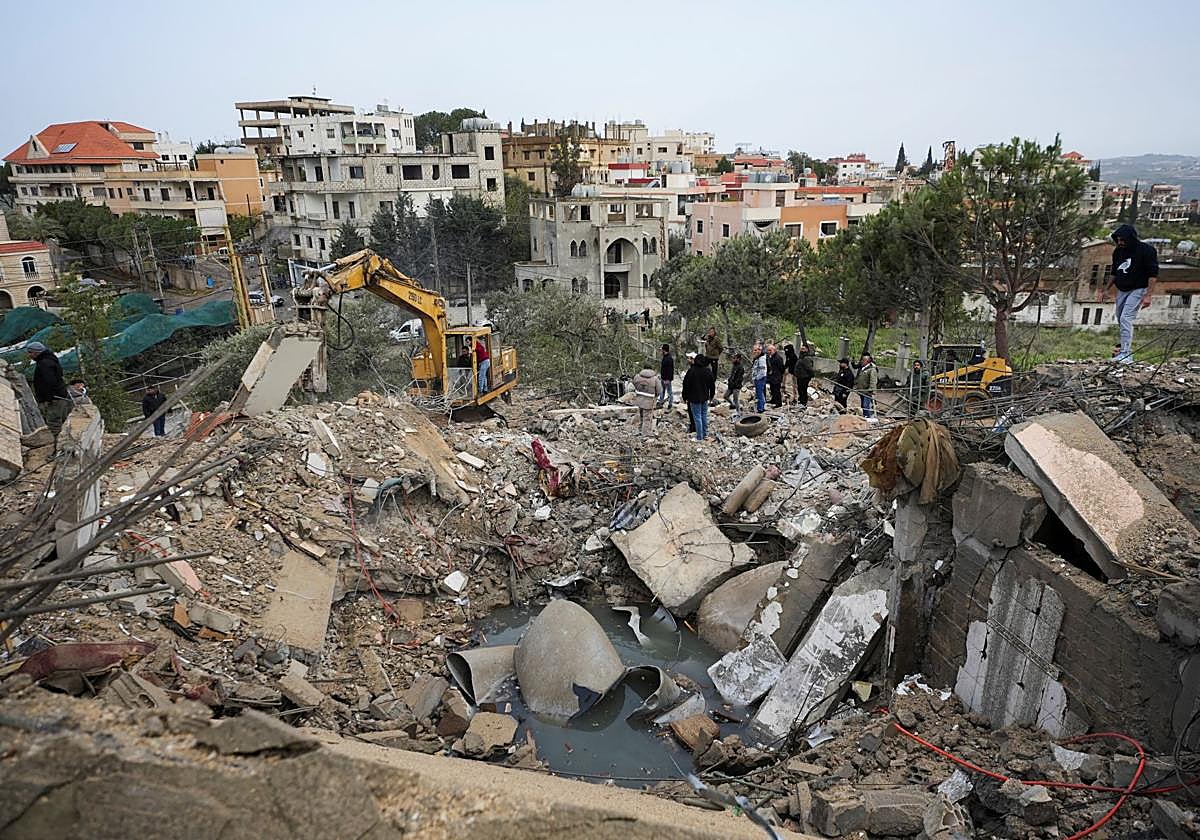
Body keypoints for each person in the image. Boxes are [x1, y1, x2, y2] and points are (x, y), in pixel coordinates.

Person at [1109, 223, 1158, 363]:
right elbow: (1114, 272)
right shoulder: (1118, 252)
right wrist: (1106, 289)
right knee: (1119, 317)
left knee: (1126, 318)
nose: (1120, 242)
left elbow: (1153, 274)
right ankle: (1123, 350)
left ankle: (1126, 354)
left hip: (1139, 288)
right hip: (1123, 288)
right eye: (1118, 240)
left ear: (1131, 238)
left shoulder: (1146, 251)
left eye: (1123, 240)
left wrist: (1148, 295)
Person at [26, 341, 71, 438]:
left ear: (37, 352)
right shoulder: (50, 359)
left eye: (30, 352)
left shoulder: (44, 364)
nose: (29, 355)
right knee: (63, 420)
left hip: (55, 398)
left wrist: (48, 398)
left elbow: (49, 382)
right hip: (60, 395)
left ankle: (56, 445)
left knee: (53, 422)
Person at [682, 354, 715, 441]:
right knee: (704, 415)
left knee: (697, 417)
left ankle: (699, 437)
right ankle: (705, 434)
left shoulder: (691, 371)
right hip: (704, 397)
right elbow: (712, 385)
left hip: (694, 398)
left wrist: (684, 396)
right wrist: (712, 395)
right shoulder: (707, 371)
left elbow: (686, 385)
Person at [630, 364, 663, 435]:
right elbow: (659, 390)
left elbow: (633, 385)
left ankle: (639, 430)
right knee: (647, 418)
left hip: (639, 400)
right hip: (649, 401)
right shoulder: (655, 379)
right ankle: (646, 433)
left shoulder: (637, 376)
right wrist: (656, 396)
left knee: (641, 415)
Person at [855, 353, 879, 420]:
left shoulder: (872, 369)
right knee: (863, 405)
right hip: (862, 390)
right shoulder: (863, 368)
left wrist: (871, 390)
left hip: (867, 391)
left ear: (867, 361)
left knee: (866, 405)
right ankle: (865, 417)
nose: (861, 361)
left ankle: (868, 417)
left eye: (863, 360)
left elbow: (873, 381)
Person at [794, 342, 815, 407]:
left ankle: (803, 402)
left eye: (803, 349)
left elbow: (809, 368)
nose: (801, 350)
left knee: (803, 389)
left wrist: (810, 376)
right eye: (801, 348)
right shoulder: (801, 357)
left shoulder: (806, 358)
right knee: (800, 389)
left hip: (804, 377)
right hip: (800, 376)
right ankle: (801, 400)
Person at [765, 343, 785, 408]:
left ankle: (778, 403)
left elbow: (782, 368)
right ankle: (773, 400)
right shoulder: (770, 357)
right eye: (768, 350)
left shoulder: (778, 358)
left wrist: (778, 374)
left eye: (770, 350)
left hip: (777, 376)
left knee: (776, 390)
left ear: (774, 350)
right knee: (772, 389)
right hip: (772, 377)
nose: (769, 352)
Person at [726, 352, 744, 417]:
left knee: (736, 399)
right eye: (733, 358)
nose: (733, 359)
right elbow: (732, 375)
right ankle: (733, 405)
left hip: (736, 386)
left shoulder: (741, 367)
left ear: (738, 359)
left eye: (734, 358)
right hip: (731, 385)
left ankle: (738, 412)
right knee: (725, 396)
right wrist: (729, 381)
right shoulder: (734, 366)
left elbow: (739, 378)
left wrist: (734, 384)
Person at [751, 345, 768, 413]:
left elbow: (762, 371)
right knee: (760, 393)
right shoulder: (757, 358)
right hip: (758, 378)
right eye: (754, 350)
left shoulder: (761, 359)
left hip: (760, 378)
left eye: (756, 350)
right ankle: (762, 406)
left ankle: (760, 408)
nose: (754, 352)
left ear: (759, 351)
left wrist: (757, 378)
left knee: (759, 393)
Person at [657, 344, 675, 409]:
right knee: (662, 391)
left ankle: (670, 404)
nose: (661, 351)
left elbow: (670, 370)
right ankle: (661, 402)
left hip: (667, 379)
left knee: (669, 392)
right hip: (663, 378)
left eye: (661, 349)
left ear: (664, 350)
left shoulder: (669, 359)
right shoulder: (665, 357)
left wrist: (668, 379)